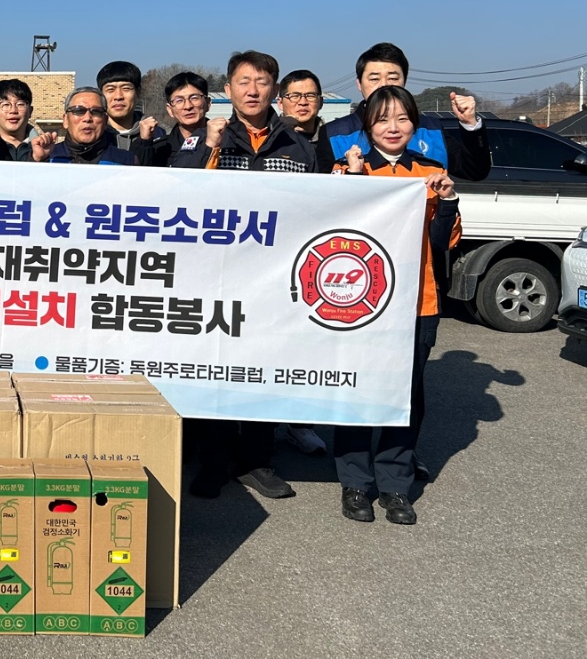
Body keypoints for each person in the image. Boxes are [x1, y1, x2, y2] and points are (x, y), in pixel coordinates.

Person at [333, 86, 460, 526]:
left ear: (414, 125)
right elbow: (334, 229)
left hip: (417, 301)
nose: (393, 127)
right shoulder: (349, 169)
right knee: (355, 387)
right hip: (358, 302)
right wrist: (351, 182)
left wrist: (447, 201)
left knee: (405, 394)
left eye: (402, 118)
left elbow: (442, 243)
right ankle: (354, 481)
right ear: (367, 125)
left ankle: (395, 484)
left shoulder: (430, 172)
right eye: (382, 118)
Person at [193, 50, 317, 502]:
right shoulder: (211, 139)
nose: (252, 90)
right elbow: (179, 193)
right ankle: (215, 461)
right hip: (217, 278)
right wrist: (208, 148)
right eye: (243, 82)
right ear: (227, 90)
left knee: (264, 369)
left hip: (273, 282)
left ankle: (257, 461)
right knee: (214, 369)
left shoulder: (298, 145)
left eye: (262, 82)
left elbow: (318, 210)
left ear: (275, 90)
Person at [318, 42, 489, 180]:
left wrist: (470, 125)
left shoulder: (432, 129)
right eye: (374, 78)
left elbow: (474, 172)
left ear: (404, 81)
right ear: (359, 84)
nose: (384, 85)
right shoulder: (334, 134)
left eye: (393, 78)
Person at [273, 69, 330, 458]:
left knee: (309, 347)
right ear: (282, 101)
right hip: (275, 254)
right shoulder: (273, 137)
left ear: (321, 101)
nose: (302, 102)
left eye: (310, 96)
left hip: (318, 258)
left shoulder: (335, 139)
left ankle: (300, 423)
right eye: (294, 96)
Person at [45, 87, 135, 165]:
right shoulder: (47, 157)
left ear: (105, 121)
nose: (87, 118)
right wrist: (38, 160)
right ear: (65, 120)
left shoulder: (127, 161)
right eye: (79, 111)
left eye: (96, 111)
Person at [97, 61, 162, 166]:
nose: (118, 96)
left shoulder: (157, 134)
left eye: (126, 88)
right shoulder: (94, 134)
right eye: (110, 89)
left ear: (138, 92)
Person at [160, 72, 213, 168]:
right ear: (170, 110)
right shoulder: (160, 149)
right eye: (179, 100)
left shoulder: (228, 143)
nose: (188, 106)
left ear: (208, 103)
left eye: (194, 98)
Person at [0, 78, 45, 161]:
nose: (13, 111)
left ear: (30, 111)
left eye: (20, 104)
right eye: (5, 105)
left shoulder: (45, 149)